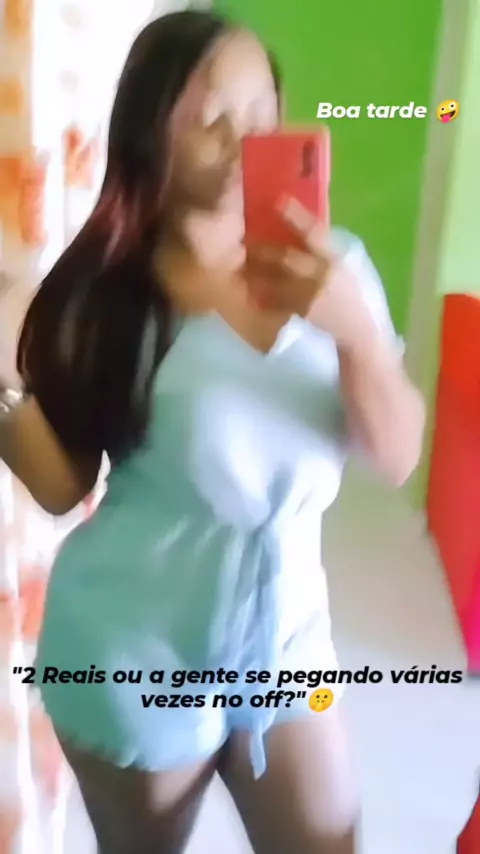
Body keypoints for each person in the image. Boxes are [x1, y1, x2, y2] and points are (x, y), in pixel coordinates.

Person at [0, 10, 425, 854]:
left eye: (262, 112)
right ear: (149, 134)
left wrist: (357, 334)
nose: (244, 140)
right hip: (131, 650)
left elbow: (398, 454)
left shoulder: (336, 266)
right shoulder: (106, 297)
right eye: (210, 120)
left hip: (291, 647)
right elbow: (62, 486)